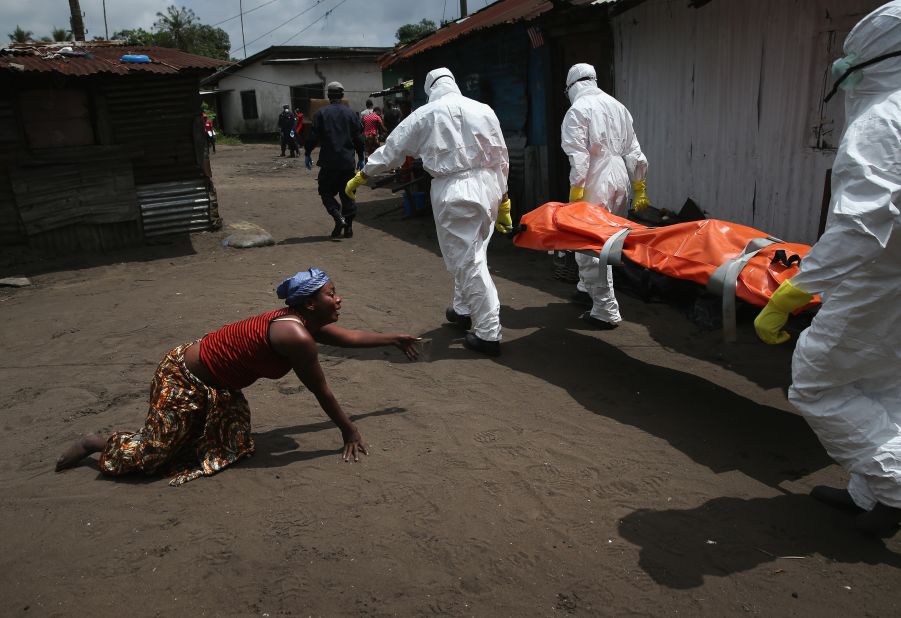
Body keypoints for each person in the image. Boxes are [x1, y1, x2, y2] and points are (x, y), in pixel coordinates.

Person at [55, 268, 421, 486]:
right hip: (182, 377)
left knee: (228, 445)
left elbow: (349, 338)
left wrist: (394, 338)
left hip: (219, 386)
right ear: (310, 303)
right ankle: (95, 442)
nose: (338, 300)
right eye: (331, 294)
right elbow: (320, 390)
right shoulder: (296, 336)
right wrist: (349, 430)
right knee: (152, 458)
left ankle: (187, 432)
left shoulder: (301, 322)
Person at [754, 1, 901, 537]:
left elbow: (860, 229)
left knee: (816, 383)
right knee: (884, 385)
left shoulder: (883, 120)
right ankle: (872, 496)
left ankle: (896, 486)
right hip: (892, 280)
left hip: (876, 279)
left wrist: (795, 290)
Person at [344, 67, 512, 357]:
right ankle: (462, 309)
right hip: (489, 187)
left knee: (467, 261)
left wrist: (364, 173)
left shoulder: (426, 114)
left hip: (455, 191)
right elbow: (501, 155)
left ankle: (488, 332)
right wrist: (505, 199)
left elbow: (393, 149)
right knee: (474, 252)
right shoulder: (484, 110)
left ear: (430, 88)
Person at [561, 62, 651, 330]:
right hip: (620, 176)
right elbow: (636, 152)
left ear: (572, 86)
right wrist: (640, 187)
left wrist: (576, 192)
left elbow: (579, 158)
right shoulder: (618, 107)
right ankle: (585, 289)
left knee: (591, 245)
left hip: (595, 179)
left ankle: (605, 310)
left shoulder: (577, 110)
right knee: (608, 239)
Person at [304, 82, 365, 239]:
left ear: (328, 96)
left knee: (325, 191)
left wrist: (307, 153)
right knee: (348, 194)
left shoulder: (321, 114)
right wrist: (361, 157)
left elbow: (313, 137)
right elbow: (359, 138)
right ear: (342, 94)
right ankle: (348, 228)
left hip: (329, 162)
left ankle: (338, 216)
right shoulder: (351, 114)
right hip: (347, 162)